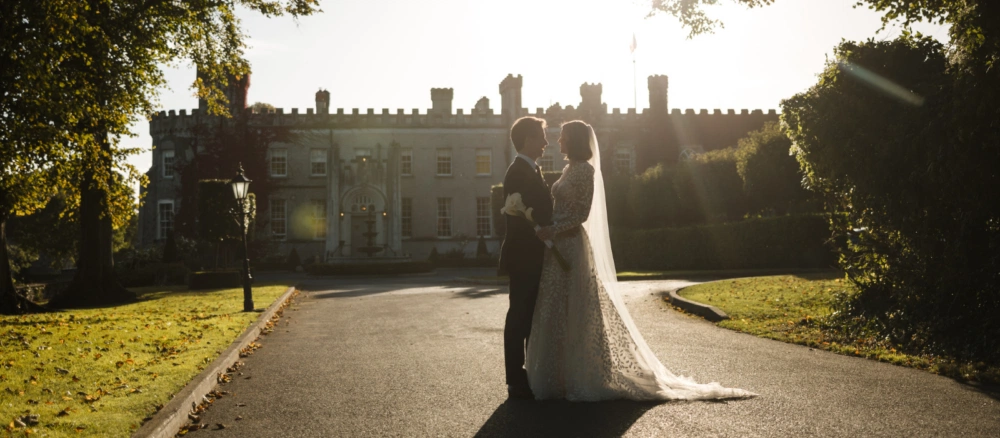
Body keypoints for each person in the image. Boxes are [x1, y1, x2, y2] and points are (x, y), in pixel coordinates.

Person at [525, 120, 756, 401]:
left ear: (573, 140)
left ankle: (582, 376)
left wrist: (554, 230)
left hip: (571, 245)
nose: (557, 141)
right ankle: (558, 377)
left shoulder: (585, 171)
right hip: (557, 247)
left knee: (577, 309)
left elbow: (582, 215)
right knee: (556, 310)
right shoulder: (568, 169)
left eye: (562, 137)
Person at [498, 116, 552, 400]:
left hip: (533, 254)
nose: (546, 142)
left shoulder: (530, 169)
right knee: (519, 315)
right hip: (523, 256)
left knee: (528, 315)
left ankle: (528, 373)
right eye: (542, 136)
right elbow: (522, 219)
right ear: (529, 139)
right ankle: (516, 379)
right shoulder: (517, 171)